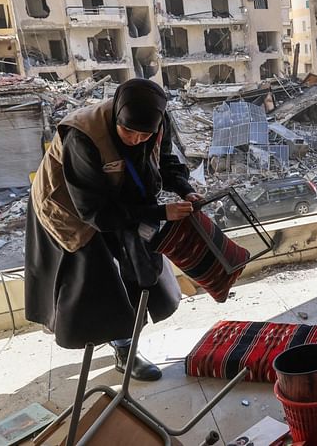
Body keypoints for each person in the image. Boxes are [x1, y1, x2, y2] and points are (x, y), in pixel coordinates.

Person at [25, 78, 203, 380]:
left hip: (122, 200)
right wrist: (160, 212)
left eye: (144, 133)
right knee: (105, 283)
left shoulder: (157, 124)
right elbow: (96, 212)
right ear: (116, 115)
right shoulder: (82, 136)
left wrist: (185, 189)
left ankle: (127, 340)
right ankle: (124, 350)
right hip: (73, 210)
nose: (136, 139)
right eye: (128, 131)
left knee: (140, 268)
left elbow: (164, 161)